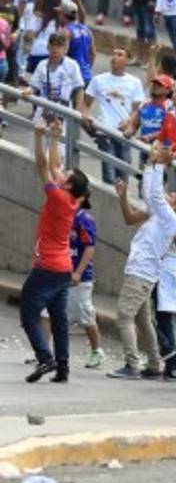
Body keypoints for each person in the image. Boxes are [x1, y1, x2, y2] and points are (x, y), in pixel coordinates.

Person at [108, 144, 176, 380]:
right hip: (144, 272)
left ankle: (132, 364)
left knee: (124, 316)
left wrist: (158, 163)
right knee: (144, 320)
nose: (167, 195)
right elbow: (149, 193)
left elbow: (153, 193)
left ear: (175, 206)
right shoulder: (161, 215)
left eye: (171, 196)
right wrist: (151, 165)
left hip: (141, 272)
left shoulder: (167, 218)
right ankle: (155, 364)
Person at [21, 119, 90, 384]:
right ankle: (62, 368)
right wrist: (47, 137)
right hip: (62, 269)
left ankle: (45, 357)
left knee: (29, 313)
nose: (61, 172)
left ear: (69, 186)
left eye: (66, 175)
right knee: (59, 319)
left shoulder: (59, 197)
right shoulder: (69, 199)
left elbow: (47, 166)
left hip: (48, 266)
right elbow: (49, 166)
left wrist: (49, 136)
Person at [80, 47, 144, 184]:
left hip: (123, 134)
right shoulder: (98, 80)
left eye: (120, 54)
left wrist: (129, 122)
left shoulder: (135, 82)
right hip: (105, 131)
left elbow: (138, 110)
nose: (115, 57)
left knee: (123, 172)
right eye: (113, 54)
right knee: (109, 173)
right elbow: (85, 104)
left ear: (127, 60)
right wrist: (88, 123)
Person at [67, 188, 104, 370]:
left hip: (81, 277)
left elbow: (89, 247)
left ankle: (97, 350)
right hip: (60, 272)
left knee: (85, 315)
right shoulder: (63, 214)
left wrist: (78, 273)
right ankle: (43, 352)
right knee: (47, 311)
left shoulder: (84, 220)